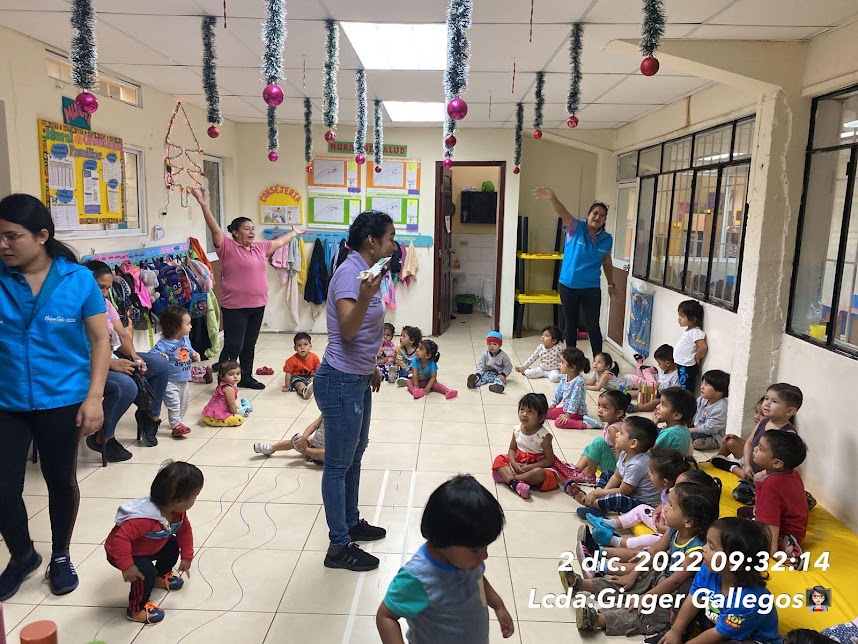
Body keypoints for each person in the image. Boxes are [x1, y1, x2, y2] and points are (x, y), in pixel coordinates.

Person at [0, 194, 110, 601]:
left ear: (42, 235)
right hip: (6, 400)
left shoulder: (77, 279)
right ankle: (23, 555)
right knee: (3, 489)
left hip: (62, 399)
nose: (3, 245)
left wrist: (94, 398)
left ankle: (61, 555)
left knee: (60, 482)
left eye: (12, 236)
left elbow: (100, 341)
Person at [317, 211, 396, 572]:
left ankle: (350, 522)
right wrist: (365, 297)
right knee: (337, 465)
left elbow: (363, 333)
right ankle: (338, 546)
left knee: (355, 455)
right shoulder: (351, 274)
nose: (394, 244)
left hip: (358, 376)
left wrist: (372, 365)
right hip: (340, 379)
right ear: (372, 242)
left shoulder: (368, 270)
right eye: (389, 237)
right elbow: (348, 331)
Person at [569, 481, 719, 640]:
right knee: (632, 583)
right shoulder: (674, 530)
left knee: (648, 613)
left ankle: (597, 620)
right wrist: (633, 575)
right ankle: (581, 584)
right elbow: (654, 552)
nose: (665, 508)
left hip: (678, 596)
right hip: (663, 576)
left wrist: (649, 595)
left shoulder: (696, 551)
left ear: (688, 521)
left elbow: (676, 581)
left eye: (671, 505)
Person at [376, 475, 514, 643]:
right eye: (475, 550)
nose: (484, 555)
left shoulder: (469, 562)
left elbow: (478, 579)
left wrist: (498, 605)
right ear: (443, 541)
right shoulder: (418, 578)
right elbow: (386, 616)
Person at [191, 187, 302, 390]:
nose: (252, 232)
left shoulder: (259, 248)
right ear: (235, 232)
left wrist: (293, 233)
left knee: (249, 344)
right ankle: (224, 382)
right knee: (234, 345)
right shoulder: (227, 247)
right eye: (247, 228)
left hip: (258, 304)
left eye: (252, 228)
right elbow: (214, 229)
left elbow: (279, 242)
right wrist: (204, 205)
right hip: (235, 307)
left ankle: (246, 377)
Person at [105, 461, 203, 624]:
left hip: (149, 545)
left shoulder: (177, 513)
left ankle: (161, 575)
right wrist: (127, 566)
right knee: (144, 573)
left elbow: (184, 531)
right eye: (195, 497)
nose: (195, 500)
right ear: (178, 501)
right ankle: (136, 609)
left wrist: (187, 556)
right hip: (122, 552)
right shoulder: (144, 519)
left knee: (171, 544)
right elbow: (120, 539)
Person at [657, 518, 782, 644]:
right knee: (686, 590)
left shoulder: (750, 600)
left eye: (711, 547)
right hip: (719, 622)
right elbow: (693, 599)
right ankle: (674, 636)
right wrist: (676, 631)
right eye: (706, 542)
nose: (703, 548)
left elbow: (718, 635)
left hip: (747, 639)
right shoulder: (709, 570)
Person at [86, 260, 170, 448]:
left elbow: (122, 335)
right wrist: (110, 364)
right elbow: (74, 352)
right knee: (126, 385)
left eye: (107, 288)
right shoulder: (75, 309)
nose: (104, 293)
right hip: (88, 365)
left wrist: (134, 357)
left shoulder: (105, 304)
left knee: (160, 365)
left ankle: (150, 417)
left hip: (111, 357)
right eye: (100, 287)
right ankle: (103, 438)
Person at [533, 187, 614, 357]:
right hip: (568, 286)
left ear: (605, 219)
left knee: (593, 326)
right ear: (588, 214)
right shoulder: (576, 227)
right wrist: (553, 198)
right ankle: (571, 361)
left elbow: (606, 261)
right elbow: (563, 212)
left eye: (602, 215)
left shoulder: (607, 239)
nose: (597, 217)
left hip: (591, 287)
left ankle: (599, 362)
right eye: (595, 213)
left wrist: (611, 283)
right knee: (570, 325)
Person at [588, 448, 696, 549]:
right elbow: (663, 503)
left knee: (652, 539)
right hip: (660, 521)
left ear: (665, 481)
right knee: (642, 508)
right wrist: (657, 511)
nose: (648, 474)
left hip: (670, 532)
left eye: (651, 472)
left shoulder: (678, 496)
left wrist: (664, 529)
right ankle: (610, 524)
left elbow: (682, 528)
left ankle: (615, 541)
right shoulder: (669, 490)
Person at [564, 416, 661, 516]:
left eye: (621, 433)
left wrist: (597, 494)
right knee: (607, 474)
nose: (617, 434)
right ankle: (599, 502)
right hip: (631, 490)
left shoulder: (637, 464)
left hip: (642, 503)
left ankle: (592, 504)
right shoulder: (625, 453)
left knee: (618, 499)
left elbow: (623, 491)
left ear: (633, 443)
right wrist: (601, 492)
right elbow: (616, 476)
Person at [740, 430, 808, 559]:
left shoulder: (770, 486)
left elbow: (771, 522)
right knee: (743, 512)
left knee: (740, 532)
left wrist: (772, 551)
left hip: (784, 531)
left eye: (760, 449)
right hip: (797, 526)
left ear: (777, 463)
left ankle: (788, 547)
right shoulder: (792, 472)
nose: (755, 449)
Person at [491, 393, 574, 499]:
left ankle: (511, 480)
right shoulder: (517, 429)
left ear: (541, 417)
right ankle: (516, 483)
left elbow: (549, 460)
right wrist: (514, 463)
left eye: (530, 412)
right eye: (522, 409)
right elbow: (512, 449)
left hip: (535, 466)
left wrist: (529, 467)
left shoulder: (544, 436)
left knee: (539, 473)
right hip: (519, 463)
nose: (524, 414)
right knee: (499, 458)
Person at [712, 383, 802, 480]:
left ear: (790, 411)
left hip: (765, 474)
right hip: (751, 462)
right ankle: (726, 465)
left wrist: (763, 474)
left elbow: (784, 466)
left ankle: (732, 467)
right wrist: (747, 464)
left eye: (774, 401)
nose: (767, 404)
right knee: (729, 442)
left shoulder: (788, 433)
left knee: (754, 479)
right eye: (766, 398)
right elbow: (749, 443)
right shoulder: (763, 422)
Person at [150, 305, 200, 438]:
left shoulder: (185, 339)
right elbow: (151, 355)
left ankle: (178, 421)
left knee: (183, 404)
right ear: (175, 326)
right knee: (174, 403)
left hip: (184, 379)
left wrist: (194, 354)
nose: (191, 327)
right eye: (188, 324)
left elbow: (189, 350)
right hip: (169, 381)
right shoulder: (163, 344)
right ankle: (176, 424)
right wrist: (160, 356)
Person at [567, 390, 631, 484]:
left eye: (605, 408)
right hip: (612, 462)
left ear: (618, 413)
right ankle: (577, 468)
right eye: (599, 405)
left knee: (598, 443)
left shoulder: (613, 429)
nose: (600, 410)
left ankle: (589, 476)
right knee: (591, 446)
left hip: (615, 467)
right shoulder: (611, 424)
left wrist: (619, 473)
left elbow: (619, 451)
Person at [547, 347, 602, 429]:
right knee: (546, 413)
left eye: (562, 362)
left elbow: (575, 400)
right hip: (566, 409)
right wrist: (553, 404)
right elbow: (559, 391)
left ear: (572, 367)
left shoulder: (579, 381)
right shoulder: (564, 376)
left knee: (558, 422)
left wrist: (568, 415)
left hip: (577, 413)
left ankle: (587, 424)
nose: (559, 364)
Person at [254, 415, 325, 464]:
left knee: (325, 454)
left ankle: (304, 450)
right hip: (314, 443)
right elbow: (314, 425)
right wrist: (303, 438)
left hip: (326, 454)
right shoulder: (325, 413)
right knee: (297, 441)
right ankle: (271, 448)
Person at [628, 344, 679, 413]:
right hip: (657, 391)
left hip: (665, 397)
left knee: (656, 401)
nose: (658, 365)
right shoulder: (663, 370)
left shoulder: (675, 376)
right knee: (643, 390)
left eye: (659, 363)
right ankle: (626, 395)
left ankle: (638, 407)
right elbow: (660, 379)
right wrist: (657, 383)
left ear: (667, 363)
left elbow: (674, 392)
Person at [202, 361, 253, 426]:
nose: (235, 377)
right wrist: (236, 413)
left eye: (238, 374)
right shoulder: (228, 388)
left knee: (236, 407)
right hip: (215, 417)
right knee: (238, 419)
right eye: (231, 374)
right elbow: (231, 404)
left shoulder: (223, 384)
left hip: (210, 413)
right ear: (222, 376)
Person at [690, 369, 730, 450]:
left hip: (713, 435)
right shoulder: (702, 399)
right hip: (698, 428)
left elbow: (709, 429)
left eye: (707, 384)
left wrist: (687, 430)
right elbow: (692, 412)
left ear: (719, 391)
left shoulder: (721, 407)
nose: (702, 387)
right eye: (702, 383)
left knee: (698, 440)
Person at [674, 300, 708, 392]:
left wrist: (697, 357)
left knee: (686, 389)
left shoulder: (696, 332)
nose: (679, 319)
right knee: (682, 387)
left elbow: (703, 347)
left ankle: (686, 401)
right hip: (682, 364)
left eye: (682, 316)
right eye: (679, 316)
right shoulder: (689, 331)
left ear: (693, 319)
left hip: (687, 366)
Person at [587, 351, 656, 393]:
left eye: (599, 362)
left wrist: (583, 387)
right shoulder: (596, 372)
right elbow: (591, 383)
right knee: (641, 378)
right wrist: (581, 382)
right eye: (594, 361)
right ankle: (640, 363)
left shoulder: (606, 375)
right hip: (627, 379)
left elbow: (597, 388)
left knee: (653, 385)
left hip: (633, 382)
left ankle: (645, 370)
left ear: (607, 366)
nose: (595, 364)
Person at [653, 387, 695, 456]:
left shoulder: (669, 433)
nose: (657, 406)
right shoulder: (684, 428)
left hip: (666, 463)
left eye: (663, 404)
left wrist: (653, 425)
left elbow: (651, 452)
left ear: (677, 415)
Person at [282, 331, 320, 398]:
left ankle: (312, 388)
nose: (302, 347)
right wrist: (287, 386)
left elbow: (318, 370)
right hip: (298, 378)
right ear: (295, 348)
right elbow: (288, 373)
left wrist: (315, 377)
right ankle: (304, 391)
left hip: (310, 377)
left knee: (319, 381)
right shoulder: (292, 360)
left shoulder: (314, 358)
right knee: (299, 385)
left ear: (310, 346)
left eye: (305, 344)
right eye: (299, 345)